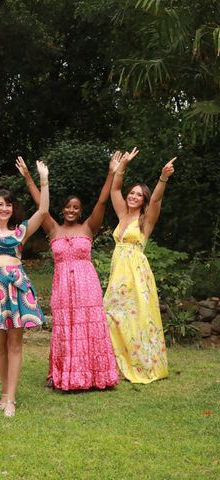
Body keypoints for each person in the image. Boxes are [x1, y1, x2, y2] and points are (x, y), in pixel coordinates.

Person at [15, 154, 119, 391]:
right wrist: (30, 177)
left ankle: (95, 377)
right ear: (62, 210)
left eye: (76, 208)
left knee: (89, 327)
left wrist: (112, 172)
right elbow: (41, 207)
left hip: (87, 287)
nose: (71, 210)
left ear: (80, 211)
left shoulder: (88, 227)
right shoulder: (52, 229)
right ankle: (65, 375)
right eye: (68, 207)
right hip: (62, 287)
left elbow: (102, 203)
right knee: (66, 327)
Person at [0, 160, 48, 417]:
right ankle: (4, 393)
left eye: (8, 204)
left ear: (13, 209)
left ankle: (10, 399)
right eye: (0, 204)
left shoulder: (21, 231)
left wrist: (42, 180)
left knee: (15, 345)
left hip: (16, 290)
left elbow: (43, 211)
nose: (4, 208)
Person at [103, 148, 174, 383]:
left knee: (136, 317)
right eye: (131, 193)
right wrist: (122, 166)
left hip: (136, 274)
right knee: (111, 315)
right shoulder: (122, 214)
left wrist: (163, 177)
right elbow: (114, 188)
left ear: (143, 200)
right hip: (118, 273)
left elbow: (156, 199)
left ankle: (140, 363)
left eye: (138, 195)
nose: (133, 196)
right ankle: (115, 363)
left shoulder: (146, 220)